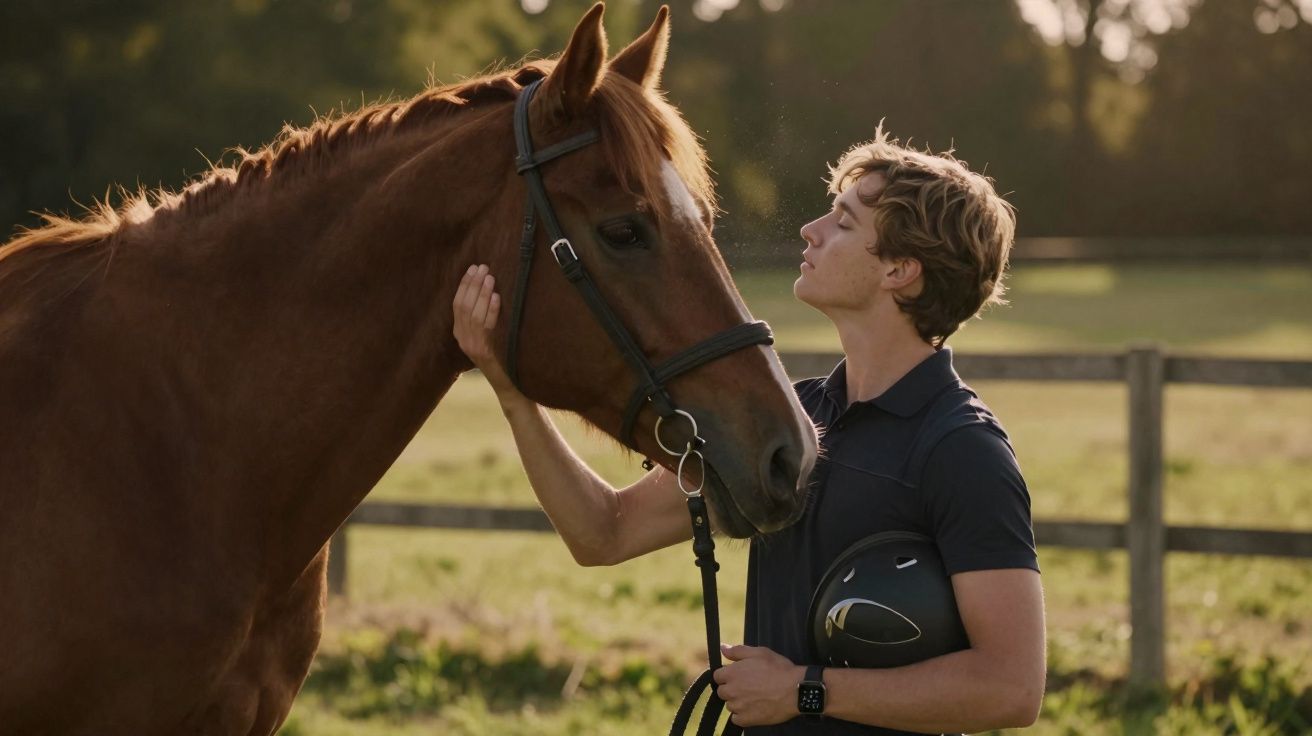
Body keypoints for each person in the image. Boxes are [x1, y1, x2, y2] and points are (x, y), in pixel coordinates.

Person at [451, 127, 1046, 734]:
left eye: (843, 223)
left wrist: (804, 693)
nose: (810, 230)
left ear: (900, 269)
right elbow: (604, 534)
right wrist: (512, 393)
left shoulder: (961, 449)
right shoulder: (792, 419)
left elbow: (1010, 688)